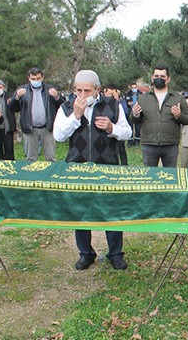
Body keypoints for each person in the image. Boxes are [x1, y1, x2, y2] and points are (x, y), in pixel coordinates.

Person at [53, 70, 132, 270]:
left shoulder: (113, 105)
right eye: (77, 90)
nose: (81, 94)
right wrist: (75, 116)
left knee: (111, 209)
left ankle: (115, 253)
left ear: (97, 89)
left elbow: (128, 132)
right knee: (80, 210)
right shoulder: (66, 107)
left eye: (86, 90)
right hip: (77, 166)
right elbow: (59, 135)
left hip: (107, 166)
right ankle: (86, 253)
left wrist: (112, 128)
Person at [130, 65, 188, 168]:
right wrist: (135, 115)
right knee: (149, 177)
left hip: (170, 144)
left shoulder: (178, 98)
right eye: (156, 76)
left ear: (168, 79)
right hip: (149, 144)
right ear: (152, 78)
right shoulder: (142, 98)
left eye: (162, 76)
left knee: (169, 177)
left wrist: (179, 115)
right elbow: (133, 120)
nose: (159, 78)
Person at [8, 67, 64, 161]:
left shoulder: (51, 89)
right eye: (33, 79)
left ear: (42, 77)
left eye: (38, 78)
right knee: (31, 158)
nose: (36, 81)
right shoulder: (22, 90)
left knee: (51, 157)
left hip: (48, 127)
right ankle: (31, 175)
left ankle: (50, 175)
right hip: (30, 128)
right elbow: (13, 108)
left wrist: (57, 96)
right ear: (29, 78)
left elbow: (63, 107)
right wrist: (17, 97)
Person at [0, 79, 16, 160]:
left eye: (0, 87)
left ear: (4, 87)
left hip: (7, 127)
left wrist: (12, 102)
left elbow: (16, 108)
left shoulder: (10, 96)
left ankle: (10, 165)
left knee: (9, 148)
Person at [104, 84, 129, 165]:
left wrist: (117, 99)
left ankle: (124, 166)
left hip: (119, 129)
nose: (111, 96)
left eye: (113, 93)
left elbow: (126, 112)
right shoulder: (101, 103)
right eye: (109, 93)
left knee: (122, 150)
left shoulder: (120, 102)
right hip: (105, 135)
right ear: (105, 92)